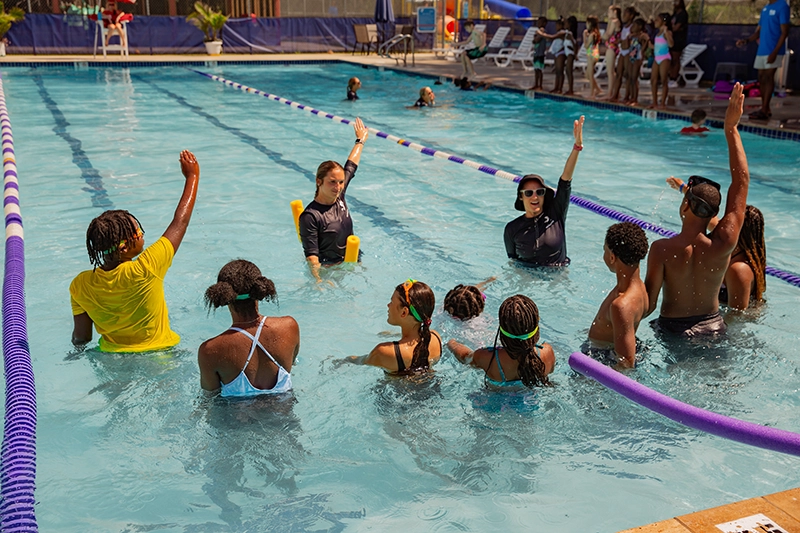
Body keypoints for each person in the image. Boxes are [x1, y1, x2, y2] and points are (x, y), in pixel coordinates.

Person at [644, 83, 750, 337]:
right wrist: (731, 129)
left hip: (673, 331)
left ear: (685, 205)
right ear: (715, 213)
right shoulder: (724, 242)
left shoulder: (662, 250)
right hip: (714, 328)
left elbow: (647, 305)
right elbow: (741, 181)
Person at [70, 150, 200, 352]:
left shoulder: (81, 284)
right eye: (138, 232)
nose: (142, 235)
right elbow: (180, 222)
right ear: (123, 246)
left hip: (111, 360)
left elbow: (82, 338)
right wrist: (192, 177)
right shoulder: (147, 267)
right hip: (159, 355)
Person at [197, 260, 300, 397]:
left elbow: (209, 397)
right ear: (260, 289)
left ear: (224, 295)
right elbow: (292, 362)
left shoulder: (210, 350)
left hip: (235, 417)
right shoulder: (289, 327)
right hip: (285, 414)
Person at [666, 178, 766, 311]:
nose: (724, 223)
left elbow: (736, 318)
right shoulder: (730, 242)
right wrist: (685, 189)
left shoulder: (739, 270)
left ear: (738, 230)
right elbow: (707, 217)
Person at [504, 116, 584, 266]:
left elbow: (565, 180)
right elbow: (513, 262)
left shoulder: (556, 214)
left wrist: (577, 147)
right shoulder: (512, 229)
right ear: (521, 197)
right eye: (529, 193)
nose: (535, 196)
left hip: (557, 279)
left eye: (539, 192)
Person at [299, 117, 369, 283]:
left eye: (341, 182)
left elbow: (351, 165)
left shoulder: (339, 196)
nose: (337, 187)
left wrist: (360, 140)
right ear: (319, 181)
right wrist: (318, 281)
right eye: (332, 182)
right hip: (331, 271)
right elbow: (312, 256)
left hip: (353, 261)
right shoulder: (310, 216)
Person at [447, 295, 555, 388]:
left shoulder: (488, 357)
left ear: (501, 329)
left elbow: (465, 357)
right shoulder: (547, 352)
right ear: (536, 326)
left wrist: (451, 343)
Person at [344, 280, 442, 374]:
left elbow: (359, 361)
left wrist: (342, 360)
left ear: (404, 312)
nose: (388, 305)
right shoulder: (435, 337)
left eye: (391, 302)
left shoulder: (385, 352)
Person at [588, 223, 649, 368]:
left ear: (612, 258)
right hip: (607, 347)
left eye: (605, 250)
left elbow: (626, 364)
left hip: (602, 358)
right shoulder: (640, 287)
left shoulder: (621, 305)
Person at [736, 0, 790, 120]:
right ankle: (765, 107)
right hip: (762, 49)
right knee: (761, 77)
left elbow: (785, 32)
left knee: (768, 76)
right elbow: (759, 31)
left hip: (774, 49)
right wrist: (747, 40)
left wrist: (775, 52)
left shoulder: (782, 6)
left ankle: (764, 109)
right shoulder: (765, 9)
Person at [610, 7, 637, 102]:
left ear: (631, 16)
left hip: (629, 52)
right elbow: (623, 40)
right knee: (618, 74)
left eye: (626, 14)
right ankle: (615, 95)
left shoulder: (633, 27)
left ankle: (627, 96)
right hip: (623, 51)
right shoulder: (624, 27)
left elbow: (630, 41)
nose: (623, 16)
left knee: (628, 75)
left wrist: (623, 41)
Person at [650, 13, 674, 109]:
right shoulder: (658, 33)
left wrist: (666, 32)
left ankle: (663, 103)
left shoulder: (667, 32)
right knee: (653, 80)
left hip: (664, 58)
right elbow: (657, 46)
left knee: (664, 81)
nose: (655, 21)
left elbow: (671, 44)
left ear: (664, 22)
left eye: (657, 20)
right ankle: (655, 102)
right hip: (657, 58)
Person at [624, 18, 649, 106]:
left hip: (637, 58)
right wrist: (628, 38)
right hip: (631, 57)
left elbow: (645, 46)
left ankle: (635, 97)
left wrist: (643, 52)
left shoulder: (642, 36)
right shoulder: (631, 36)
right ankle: (631, 96)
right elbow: (627, 47)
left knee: (634, 78)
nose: (632, 27)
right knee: (630, 77)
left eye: (634, 26)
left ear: (640, 27)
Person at [602, 6, 622, 100]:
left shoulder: (614, 22)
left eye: (609, 12)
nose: (607, 14)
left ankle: (610, 93)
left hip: (612, 47)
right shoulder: (613, 21)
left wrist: (600, 37)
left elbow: (608, 34)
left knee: (610, 71)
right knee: (611, 71)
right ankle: (614, 92)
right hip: (612, 47)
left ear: (614, 12)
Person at [669, 0, 689, 86]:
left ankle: (674, 78)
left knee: (676, 59)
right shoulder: (674, 14)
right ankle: (670, 76)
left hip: (678, 40)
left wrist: (670, 29)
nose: (674, 3)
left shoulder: (683, 14)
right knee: (670, 59)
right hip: (671, 39)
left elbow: (676, 28)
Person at [583, 16, 603, 98]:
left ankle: (592, 94)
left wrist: (584, 36)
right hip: (594, 54)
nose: (586, 25)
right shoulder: (595, 33)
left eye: (587, 23)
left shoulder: (591, 35)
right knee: (587, 75)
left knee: (590, 75)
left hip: (592, 55)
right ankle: (598, 89)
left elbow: (586, 46)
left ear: (590, 24)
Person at [531, 16, 549, 90]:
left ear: (544, 23)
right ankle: (536, 84)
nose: (538, 24)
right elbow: (534, 40)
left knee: (539, 70)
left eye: (540, 22)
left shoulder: (542, 31)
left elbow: (536, 40)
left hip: (540, 53)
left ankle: (539, 85)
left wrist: (535, 38)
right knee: (536, 70)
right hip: (537, 53)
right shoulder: (539, 31)